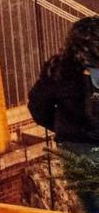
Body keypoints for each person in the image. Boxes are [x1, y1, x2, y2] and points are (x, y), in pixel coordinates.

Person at [30, 17, 99, 157]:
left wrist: (66, 129)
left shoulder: (57, 69)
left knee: (81, 178)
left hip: (74, 147)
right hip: (77, 146)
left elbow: (38, 107)